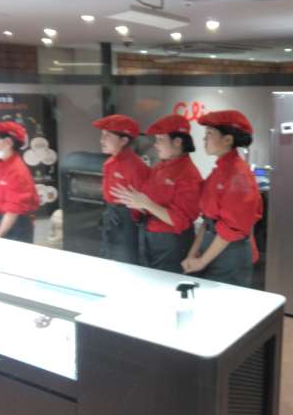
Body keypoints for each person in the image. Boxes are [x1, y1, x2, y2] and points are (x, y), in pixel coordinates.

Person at [110, 114, 202, 273]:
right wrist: (135, 203)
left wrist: (146, 204)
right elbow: (149, 200)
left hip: (170, 244)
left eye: (160, 139)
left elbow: (181, 221)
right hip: (148, 237)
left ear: (177, 142)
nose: (155, 144)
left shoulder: (189, 175)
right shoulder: (160, 167)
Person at [181, 110, 262, 288]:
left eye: (210, 133)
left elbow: (231, 228)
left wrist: (202, 261)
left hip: (230, 252)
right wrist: (193, 254)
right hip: (212, 246)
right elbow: (207, 220)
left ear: (227, 140)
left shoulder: (239, 174)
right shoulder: (220, 170)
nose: (204, 139)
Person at [92, 114, 149, 264]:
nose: (102, 140)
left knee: (125, 264)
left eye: (107, 136)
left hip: (128, 223)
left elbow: (143, 206)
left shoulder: (135, 166)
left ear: (123, 140)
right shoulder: (110, 163)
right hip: (111, 216)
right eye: (102, 135)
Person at [0, 121, 40, 243]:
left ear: (8, 142)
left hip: (17, 225)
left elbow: (13, 210)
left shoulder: (18, 171)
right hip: (0, 218)